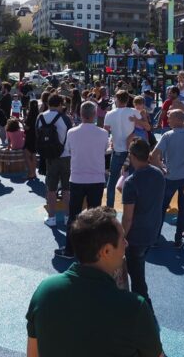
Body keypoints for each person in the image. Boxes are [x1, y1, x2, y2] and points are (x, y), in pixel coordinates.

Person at [25, 206, 163, 357]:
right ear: (106, 251)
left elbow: (32, 354)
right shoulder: (134, 307)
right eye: (123, 238)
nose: (126, 243)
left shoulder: (45, 291)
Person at [54, 101, 109, 259]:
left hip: (77, 178)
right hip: (97, 179)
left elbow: (68, 150)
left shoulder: (72, 132)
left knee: (73, 215)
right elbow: (105, 150)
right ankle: (94, 250)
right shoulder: (103, 133)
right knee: (95, 217)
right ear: (94, 114)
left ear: (80, 114)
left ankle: (69, 249)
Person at [121, 138, 165, 309]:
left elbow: (127, 217)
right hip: (152, 231)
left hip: (136, 235)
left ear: (132, 156)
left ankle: (143, 310)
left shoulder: (131, 182)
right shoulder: (158, 174)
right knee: (138, 269)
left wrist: (121, 237)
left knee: (137, 277)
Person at [151, 109, 184, 248]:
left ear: (178, 119)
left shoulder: (168, 136)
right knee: (183, 210)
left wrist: (162, 167)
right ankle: (178, 240)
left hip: (170, 177)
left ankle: (155, 238)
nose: (168, 120)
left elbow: (153, 156)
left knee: (161, 208)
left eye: (170, 117)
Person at [36, 94, 72, 227]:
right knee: (67, 188)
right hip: (65, 155)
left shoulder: (40, 117)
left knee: (51, 189)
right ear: (60, 103)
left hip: (49, 157)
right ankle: (68, 216)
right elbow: (70, 136)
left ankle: (51, 217)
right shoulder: (65, 118)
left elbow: (37, 136)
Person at [104, 90, 143, 207]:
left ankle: (109, 208)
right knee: (133, 179)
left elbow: (105, 131)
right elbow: (142, 127)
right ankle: (133, 205)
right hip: (132, 151)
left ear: (116, 99)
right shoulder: (134, 112)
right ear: (127, 100)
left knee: (112, 181)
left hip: (117, 151)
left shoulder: (109, 114)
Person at [23, 100, 39, 180]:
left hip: (29, 136)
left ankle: (31, 173)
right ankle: (34, 173)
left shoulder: (30, 115)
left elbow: (27, 127)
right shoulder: (38, 115)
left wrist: (22, 123)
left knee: (26, 154)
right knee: (33, 154)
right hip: (36, 137)